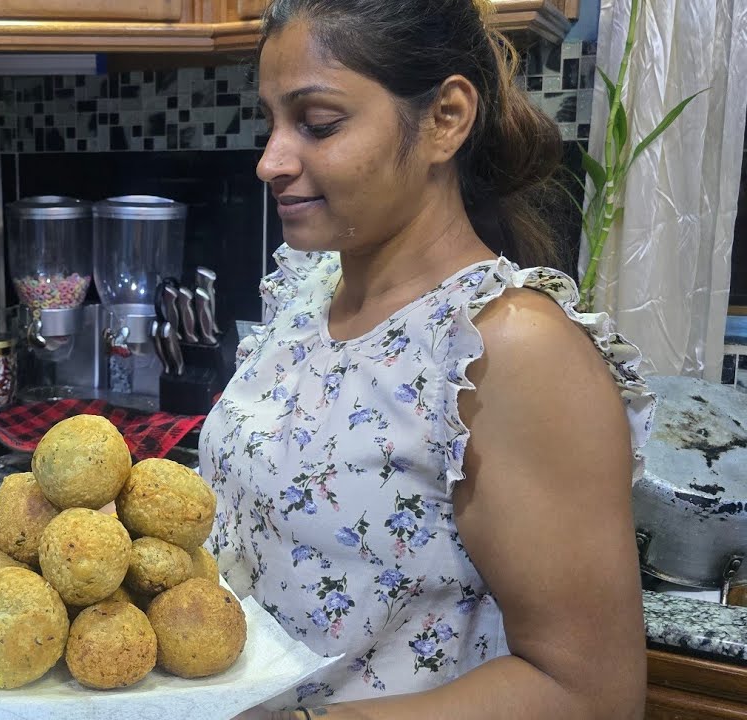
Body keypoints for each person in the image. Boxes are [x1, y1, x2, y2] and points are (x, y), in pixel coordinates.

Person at [199, 0, 656, 717]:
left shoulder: (506, 349)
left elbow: (591, 691)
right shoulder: (306, 293)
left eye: (318, 124)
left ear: (445, 118)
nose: (271, 161)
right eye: (271, 122)